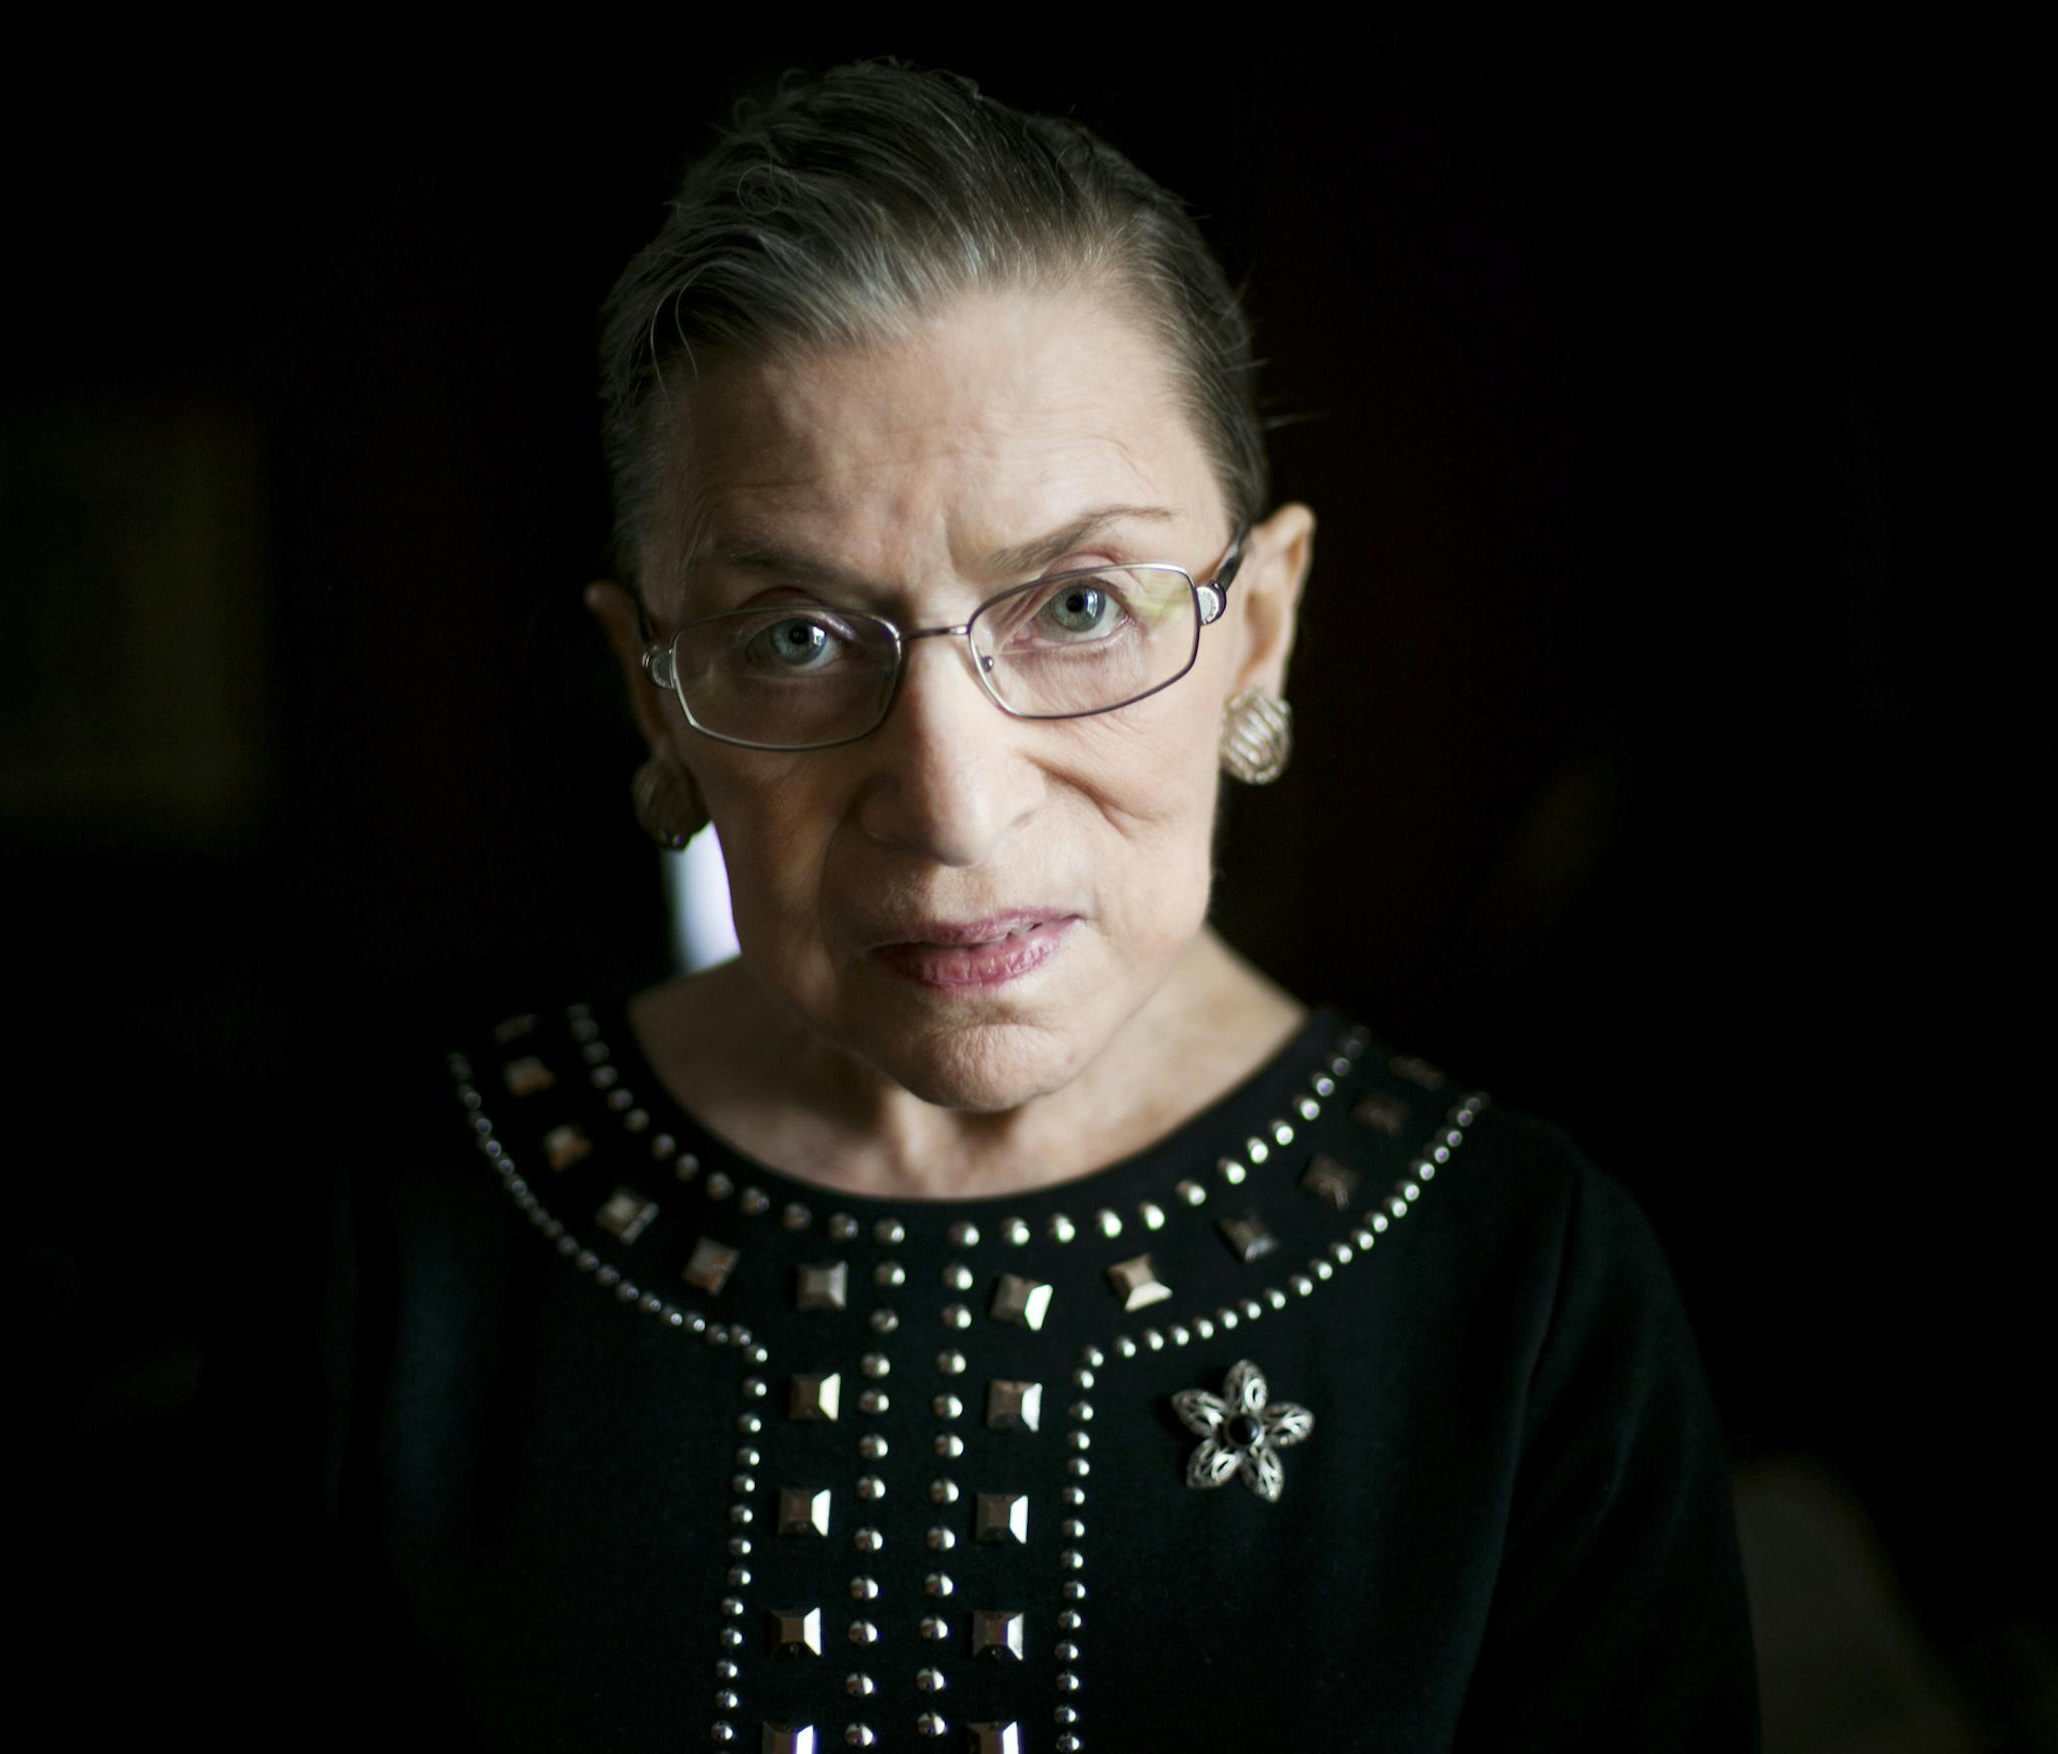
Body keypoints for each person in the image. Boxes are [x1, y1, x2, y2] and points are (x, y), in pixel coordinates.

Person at [322, 63, 1758, 1750]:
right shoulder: (410, 1258)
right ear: (656, 700)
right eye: (791, 633)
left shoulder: (1527, 1293)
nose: (951, 803)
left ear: (1261, 628)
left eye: (1079, 602)